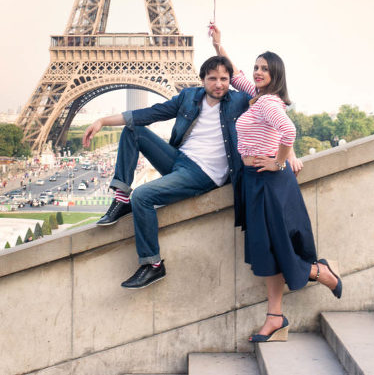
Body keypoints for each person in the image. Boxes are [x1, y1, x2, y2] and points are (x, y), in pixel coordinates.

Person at [210, 25, 342, 343]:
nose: (256, 72)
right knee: (267, 251)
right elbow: (236, 72)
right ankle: (275, 316)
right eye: (256, 67)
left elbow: (289, 132)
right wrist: (218, 45)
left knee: (275, 246)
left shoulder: (268, 103)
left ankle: (317, 272)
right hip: (257, 182)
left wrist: (280, 160)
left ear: (275, 74)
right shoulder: (256, 97)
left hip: (270, 181)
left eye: (264, 69)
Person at [83, 55, 256, 290]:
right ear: (202, 79)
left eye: (224, 79)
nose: (219, 84)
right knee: (133, 131)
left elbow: (271, 103)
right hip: (179, 160)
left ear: (230, 80)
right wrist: (102, 121)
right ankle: (121, 198)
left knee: (143, 196)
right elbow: (149, 113)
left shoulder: (239, 101)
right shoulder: (188, 97)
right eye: (213, 78)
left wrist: (219, 46)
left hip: (203, 174)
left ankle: (152, 265)